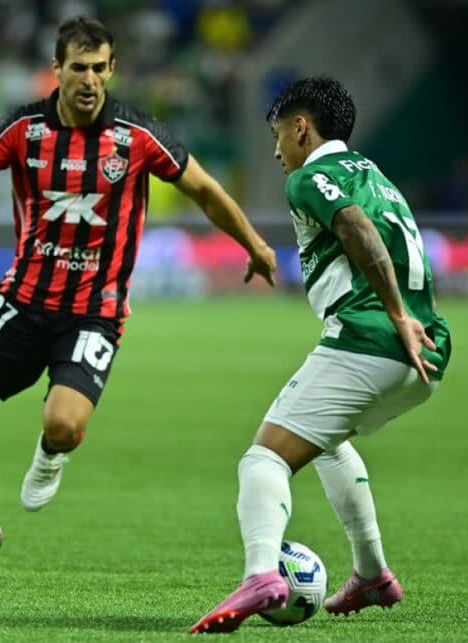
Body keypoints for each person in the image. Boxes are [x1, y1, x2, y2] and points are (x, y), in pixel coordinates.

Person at [0, 17, 276, 570]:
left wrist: (254, 244)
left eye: (99, 68)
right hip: (23, 300)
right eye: (78, 68)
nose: (89, 79)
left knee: (64, 426)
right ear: (57, 70)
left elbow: (206, 191)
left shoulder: (137, 136)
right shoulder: (23, 130)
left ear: (112, 69)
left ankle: (51, 454)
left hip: (94, 311)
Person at [191, 77, 452, 634]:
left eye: (278, 135)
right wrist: (408, 319)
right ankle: (372, 574)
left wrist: (394, 314)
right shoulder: (372, 174)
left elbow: (356, 229)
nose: (277, 150)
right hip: (427, 352)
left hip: (374, 338)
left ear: (301, 127)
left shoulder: (311, 176)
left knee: (263, 459)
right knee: (328, 443)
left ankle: (261, 574)